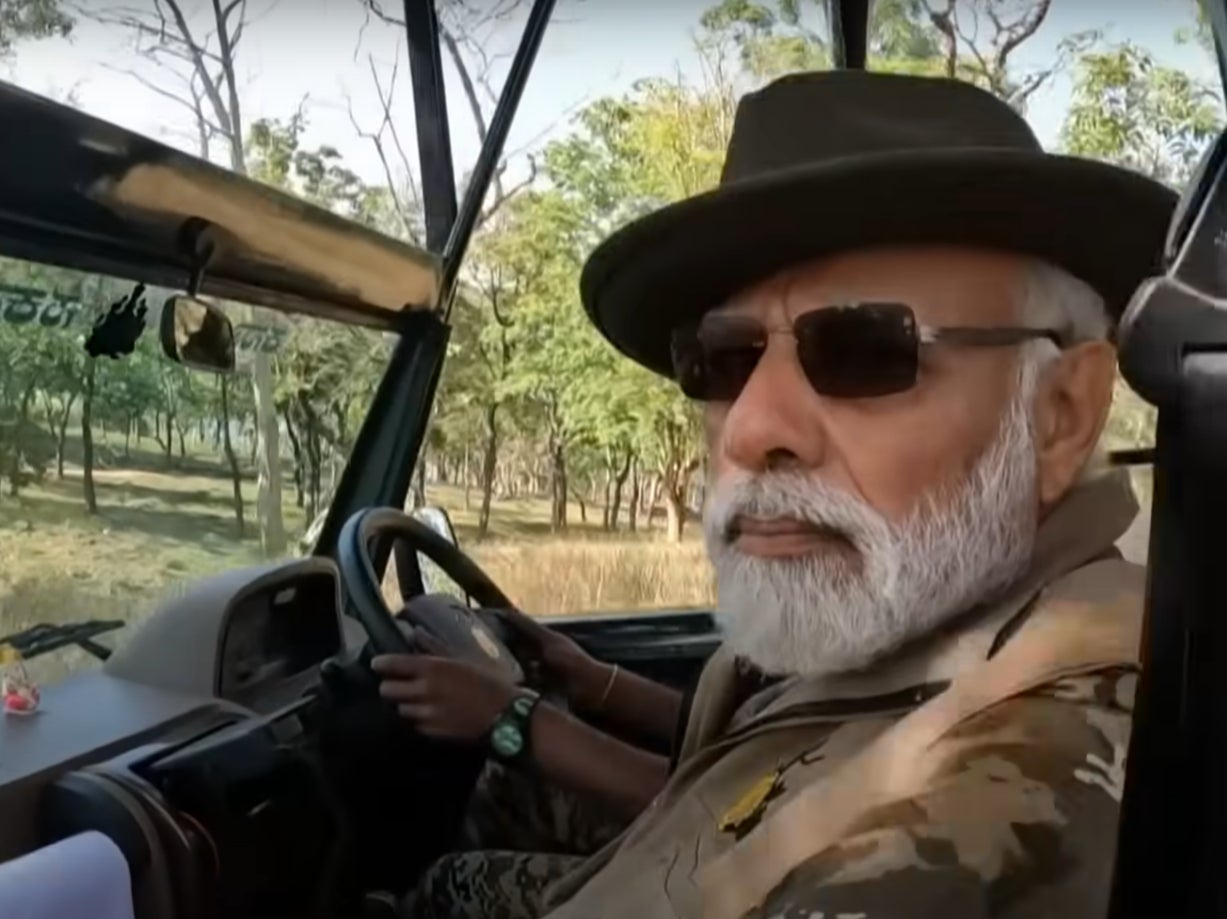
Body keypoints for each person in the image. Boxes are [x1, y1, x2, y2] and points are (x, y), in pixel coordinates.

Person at [377, 69, 1178, 919]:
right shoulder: (930, 608)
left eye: (863, 350)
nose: (749, 428)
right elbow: (778, 737)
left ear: (1059, 415)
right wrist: (594, 680)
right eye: (724, 359)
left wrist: (519, 719)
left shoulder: (983, 808)